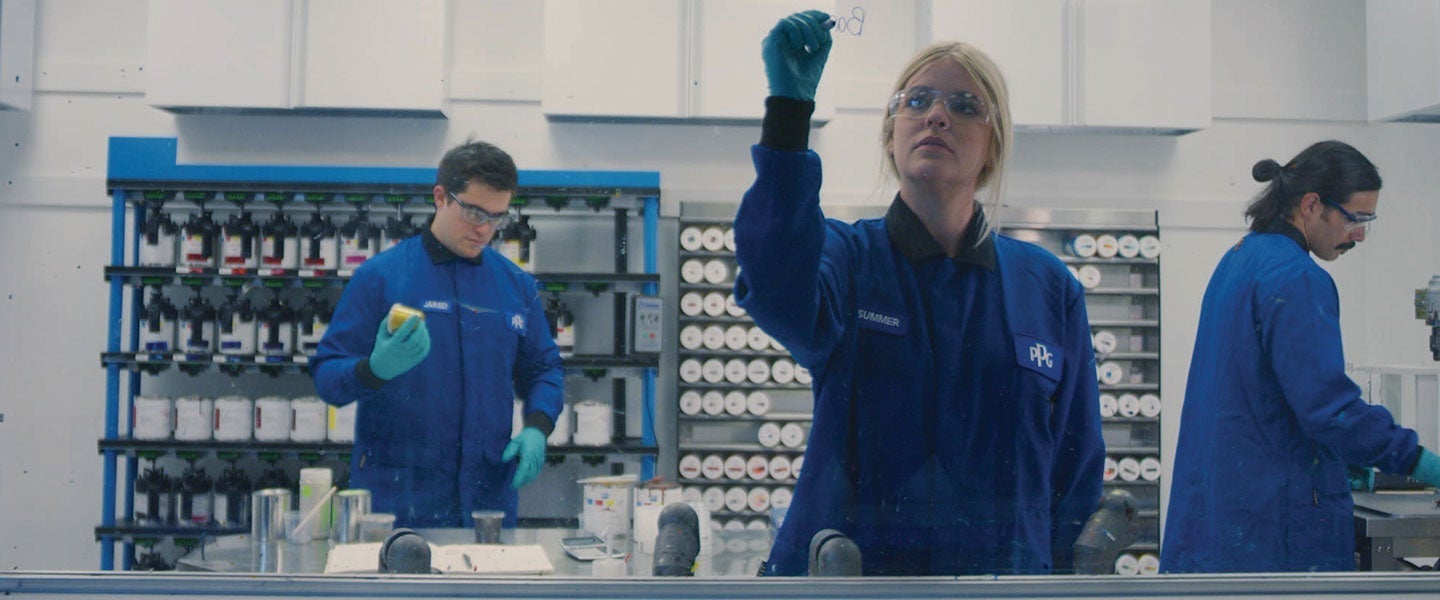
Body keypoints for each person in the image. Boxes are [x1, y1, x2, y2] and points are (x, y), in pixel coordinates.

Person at [734, 11, 1104, 576]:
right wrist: (788, 113)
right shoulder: (847, 259)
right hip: (853, 584)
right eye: (917, 100)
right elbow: (776, 287)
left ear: (993, 147)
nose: (936, 115)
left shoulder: (1047, 287)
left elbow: (1075, 467)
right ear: (891, 135)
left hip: (999, 586)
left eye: (964, 106)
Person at [1162, 140, 1440, 573]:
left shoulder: (1241, 258)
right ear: (1312, 205)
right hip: (1273, 531)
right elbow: (1330, 410)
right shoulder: (1298, 277)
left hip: (1225, 520)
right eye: (1356, 218)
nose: (1361, 234)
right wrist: (1419, 461)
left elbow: (1268, 396)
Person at [310, 140, 563, 528]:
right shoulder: (380, 278)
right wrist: (373, 369)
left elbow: (544, 368)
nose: (485, 230)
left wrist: (538, 427)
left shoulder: (516, 286)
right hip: (398, 499)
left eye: (497, 217)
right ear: (440, 197)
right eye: (474, 212)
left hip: (486, 497)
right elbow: (328, 378)